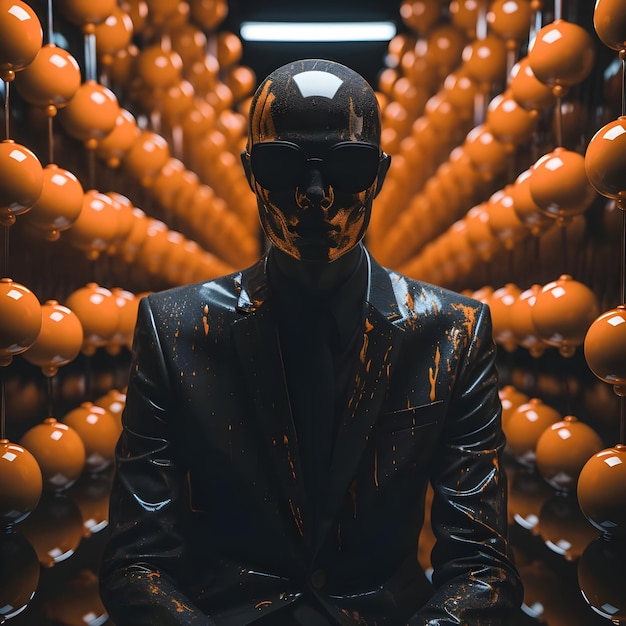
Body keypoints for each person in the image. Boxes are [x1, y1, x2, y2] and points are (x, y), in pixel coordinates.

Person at [99, 58, 523, 625]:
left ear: (380, 174)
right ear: (251, 172)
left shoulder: (453, 335)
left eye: (346, 167)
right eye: (283, 166)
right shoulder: (174, 331)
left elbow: (483, 567)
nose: (316, 194)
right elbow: (135, 562)